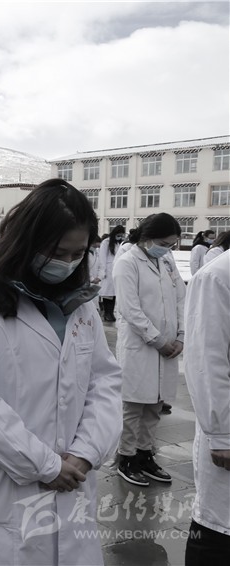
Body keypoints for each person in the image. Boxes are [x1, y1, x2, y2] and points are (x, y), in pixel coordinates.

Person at [0, 179, 122, 565]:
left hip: (73, 479)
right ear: (26, 241)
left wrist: (85, 453)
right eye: (57, 252)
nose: (67, 263)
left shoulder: (80, 305)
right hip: (2, 490)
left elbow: (104, 381)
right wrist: (46, 465)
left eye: (78, 254)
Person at [113, 213, 186, 486]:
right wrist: (157, 340)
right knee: (133, 406)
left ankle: (145, 454)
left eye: (171, 244)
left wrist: (180, 336)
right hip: (140, 345)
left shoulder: (165, 261)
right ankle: (126, 457)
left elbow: (180, 298)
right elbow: (130, 309)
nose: (167, 249)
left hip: (168, 344)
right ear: (147, 237)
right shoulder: (127, 262)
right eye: (164, 243)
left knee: (155, 405)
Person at [183, 249, 230, 564]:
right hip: (227, 427)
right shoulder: (218, 275)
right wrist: (222, 433)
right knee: (220, 525)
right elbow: (205, 359)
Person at [97, 224, 125, 322]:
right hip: (108, 271)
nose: (120, 237)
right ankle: (107, 313)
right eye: (118, 235)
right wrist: (102, 271)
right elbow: (102, 257)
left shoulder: (119, 243)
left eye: (121, 235)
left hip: (116, 270)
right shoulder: (106, 242)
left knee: (114, 294)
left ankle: (111, 313)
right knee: (107, 294)